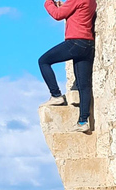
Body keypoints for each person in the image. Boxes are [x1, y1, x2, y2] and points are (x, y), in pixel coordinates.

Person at [39, 0, 97, 132]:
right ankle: (83, 121)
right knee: (84, 86)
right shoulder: (92, 1)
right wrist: (63, 7)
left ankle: (56, 95)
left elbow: (57, 15)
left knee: (43, 61)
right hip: (88, 45)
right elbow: (75, 13)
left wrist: (49, 3)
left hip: (76, 42)